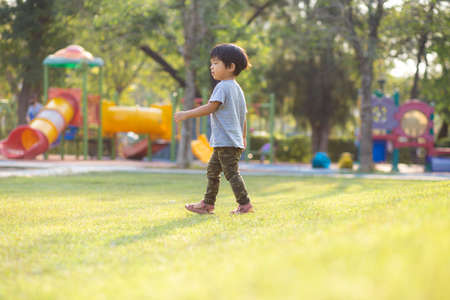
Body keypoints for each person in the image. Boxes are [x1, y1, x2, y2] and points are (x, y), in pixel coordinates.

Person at [174, 43, 253, 215]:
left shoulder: (223, 86)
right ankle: (208, 204)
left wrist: (185, 114)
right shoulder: (237, 89)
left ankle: (245, 205)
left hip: (226, 141)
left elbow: (210, 107)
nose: (212, 67)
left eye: (216, 63)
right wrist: (244, 137)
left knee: (231, 173)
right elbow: (243, 116)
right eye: (211, 63)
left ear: (231, 67)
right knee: (213, 171)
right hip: (231, 141)